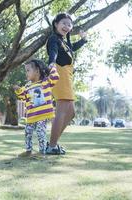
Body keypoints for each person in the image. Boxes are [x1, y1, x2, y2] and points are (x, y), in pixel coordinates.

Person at [46, 13, 88, 155]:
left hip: (67, 76)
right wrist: (51, 64)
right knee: (63, 110)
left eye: (69, 24)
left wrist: (83, 40)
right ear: (56, 24)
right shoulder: (54, 39)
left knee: (70, 113)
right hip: (60, 74)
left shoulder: (64, 41)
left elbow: (72, 48)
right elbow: (53, 53)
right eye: (63, 23)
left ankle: (53, 142)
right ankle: (52, 145)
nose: (67, 26)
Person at [14, 59, 59, 157]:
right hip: (31, 116)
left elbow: (55, 77)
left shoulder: (45, 82)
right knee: (27, 133)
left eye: (28, 70)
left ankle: (42, 152)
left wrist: (52, 67)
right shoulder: (27, 86)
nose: (26, 73)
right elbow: (23, 97)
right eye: (25, 71)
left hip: (42, 115)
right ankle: (28, 150)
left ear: (37, 71)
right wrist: (18, 90)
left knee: (40, 133)